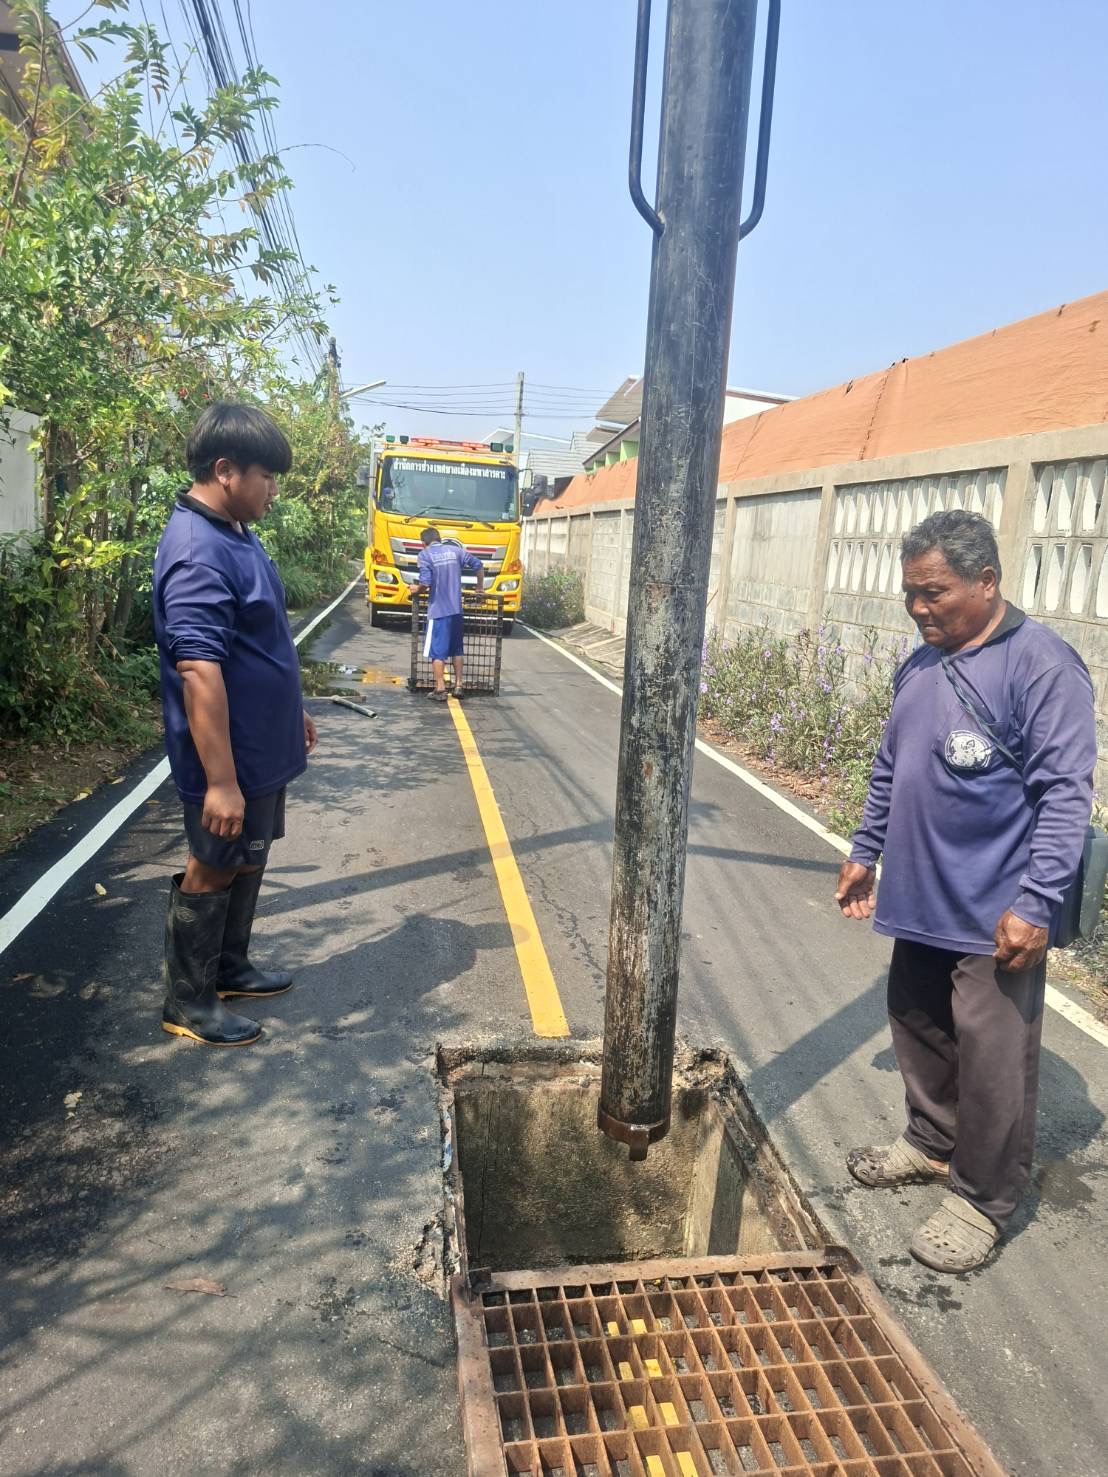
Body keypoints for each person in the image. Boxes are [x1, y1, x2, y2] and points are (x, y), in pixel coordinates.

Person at [836, 509, 1096, 1272]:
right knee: (917, 1022)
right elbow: (891, 765)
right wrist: (865, 850)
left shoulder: (1041, 666)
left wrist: (1036, 902)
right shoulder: (919, 665)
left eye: (934, 593)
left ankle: (983, 1197)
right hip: (919, 895)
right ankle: (930, 1140)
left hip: (995, 910)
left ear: (986, 581)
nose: (918, 608)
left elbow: (1065, 794)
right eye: (910, 594)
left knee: (992, 1055)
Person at [152, 402, 317, 1047]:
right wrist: (220, 782)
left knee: (249, 855)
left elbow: (258, 641)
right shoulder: (198, 552)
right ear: (225, 471)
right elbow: (199, 672)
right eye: (266, 477)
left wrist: (290, 709)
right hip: (230, 758)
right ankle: (188, 1001)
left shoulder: (236, 532)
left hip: (260, 746)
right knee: (215, 862)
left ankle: (230, 967)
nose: (274, 490)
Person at [414, 526, 484, 700]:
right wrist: (479, 587)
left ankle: (440, 689)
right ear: (439, 539)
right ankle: (459, 686)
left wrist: (416, 589)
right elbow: (478, 565)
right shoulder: (456, 551)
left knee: (437, 652)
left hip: (438, 611)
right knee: (457, 649)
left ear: (423, 543)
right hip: (456, 610)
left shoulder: (425, 555)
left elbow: (426, 582)